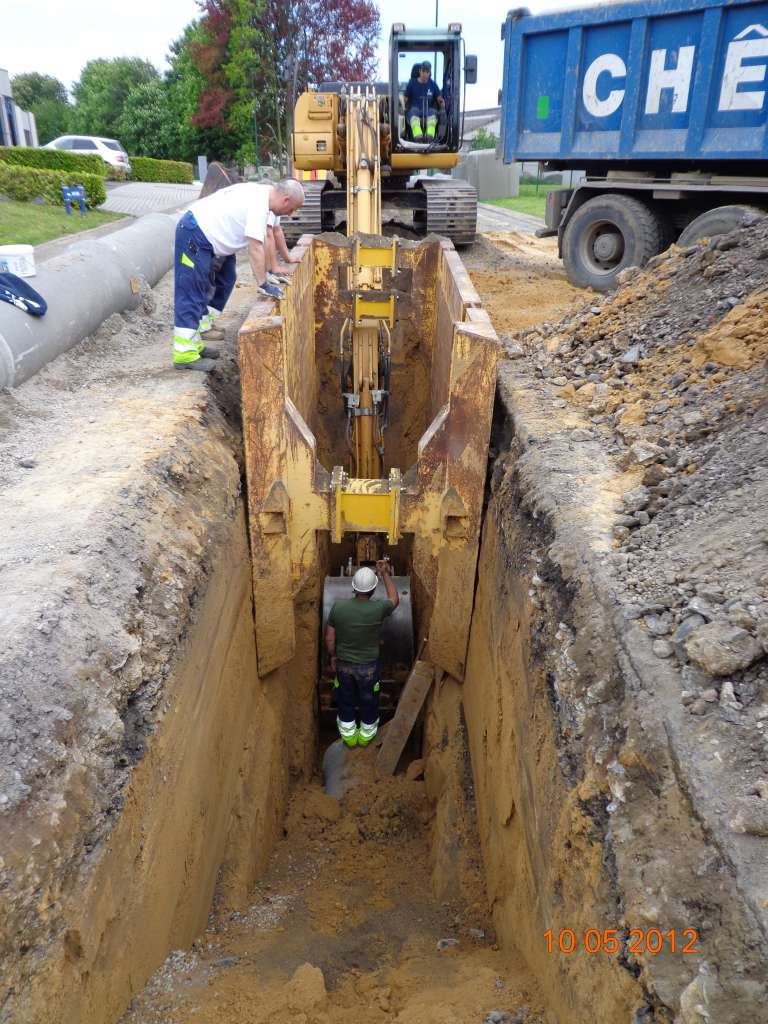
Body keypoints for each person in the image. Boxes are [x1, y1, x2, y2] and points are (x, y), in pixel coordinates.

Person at [172, 178, 305, 371]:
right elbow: (255, 247)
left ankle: (195, 341)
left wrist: (269, 271)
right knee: (191, 290)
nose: (290, 214)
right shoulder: (259, 204)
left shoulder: (264, 197)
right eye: (292, 209)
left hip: (210, 240)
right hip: (195, 234)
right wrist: (263, 283)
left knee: (226, 280)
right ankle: (184, 354)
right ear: (285, 200)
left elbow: (269, 236)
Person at [325, 560, 399, 749]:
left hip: (344, 665)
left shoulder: (338, 607)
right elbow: (394, 599)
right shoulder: (378, 608)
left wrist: (333, 656)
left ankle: (349, 738)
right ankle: (365, 738)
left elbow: (330, 637)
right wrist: (385, 573)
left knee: (345, 699)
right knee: (369, 701)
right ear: (373, 589)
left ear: (353, 587)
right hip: (369, 668)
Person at [404, 60, 444, 142]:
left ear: (429, 73)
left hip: (428, 111)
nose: (425, 74)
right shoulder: (412, 83)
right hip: (415, 110)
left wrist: (443, 105)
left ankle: (430, 136)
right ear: (420, 71)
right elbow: (405, 98)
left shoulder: (433, 84)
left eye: (427, 72)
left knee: (433, 112)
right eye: (423, 71)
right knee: (413, 111)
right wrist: (402, 105)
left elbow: (439, 99)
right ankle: (417, 136)